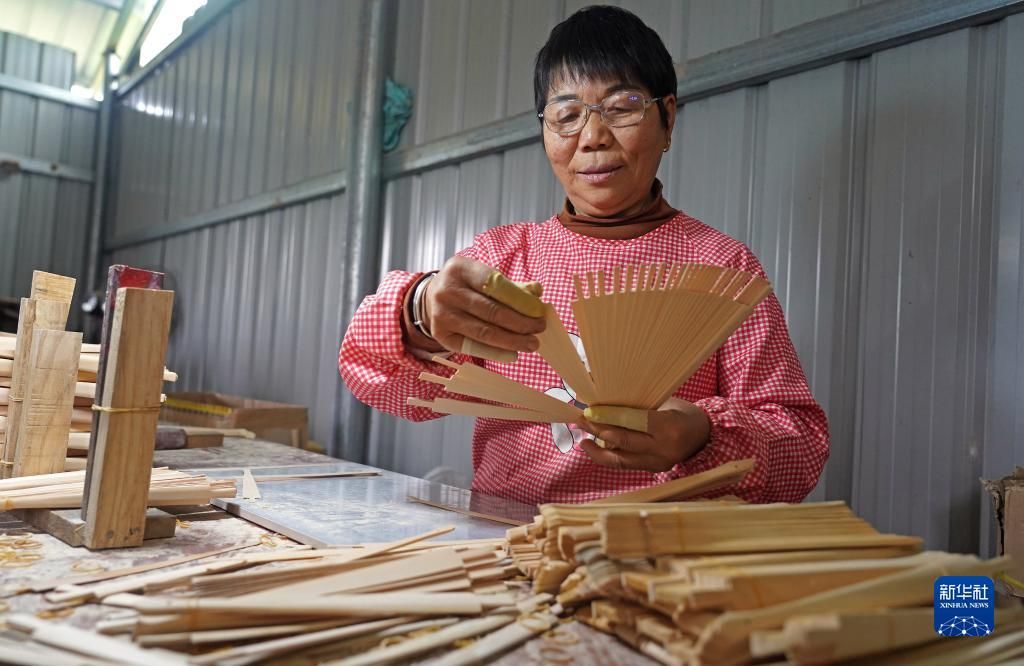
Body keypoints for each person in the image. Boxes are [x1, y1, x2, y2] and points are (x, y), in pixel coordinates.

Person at [339, 5, 829, 505]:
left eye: (622, 107)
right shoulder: (504, 260)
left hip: (668, 554)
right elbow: (376, 378)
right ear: (544, 131)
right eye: (567, 115)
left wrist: (703, 433)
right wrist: (418, 308)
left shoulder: (722, 268)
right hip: (507, 543)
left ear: (668, 118)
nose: (593, 137)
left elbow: (801, 448)